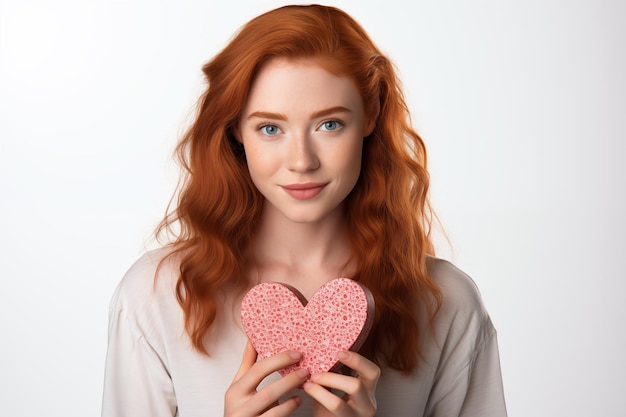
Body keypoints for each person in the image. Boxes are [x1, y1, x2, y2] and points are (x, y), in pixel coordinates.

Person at [102, 4, 507, 417]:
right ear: (235, 131)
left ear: (371, 117)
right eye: (270, 128)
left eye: (329, 124)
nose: (301, 161)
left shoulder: (446, 303)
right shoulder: (159, 296)